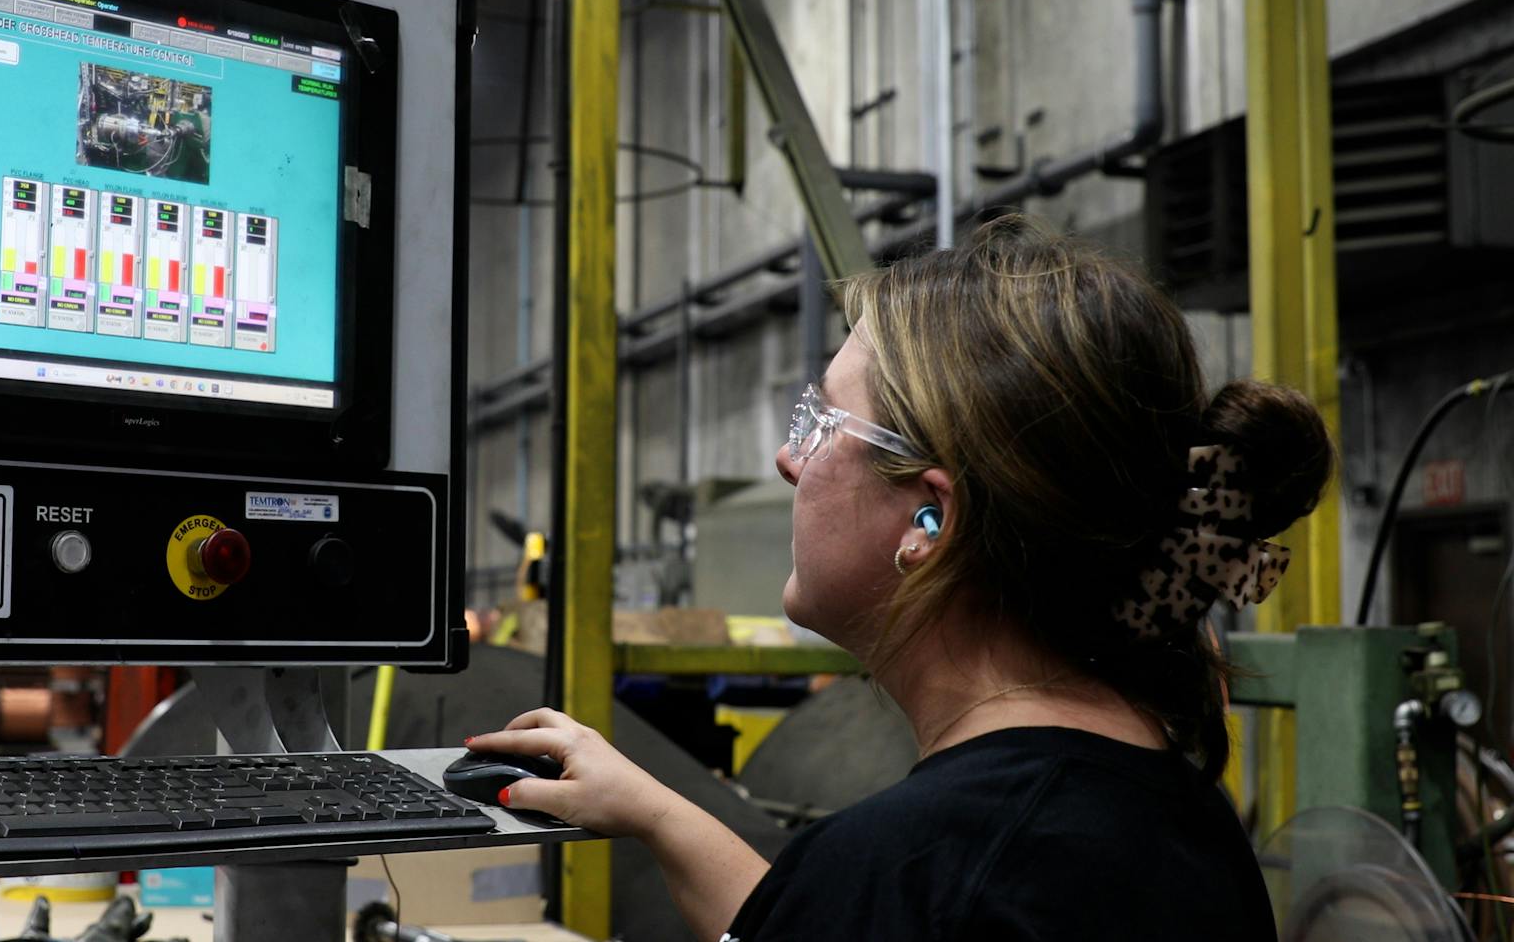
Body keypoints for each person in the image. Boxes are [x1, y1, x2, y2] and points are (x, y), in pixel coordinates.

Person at [467, 217, 1331, 941]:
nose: (785, 458)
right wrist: (659, 814)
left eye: (820, 422)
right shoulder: (1175, 815)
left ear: (933, 520)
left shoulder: (912, 868)